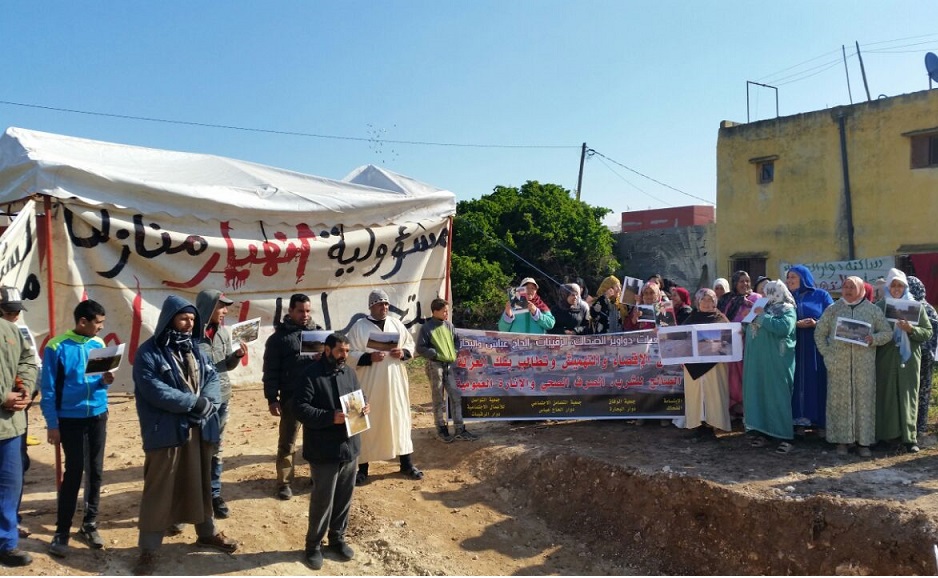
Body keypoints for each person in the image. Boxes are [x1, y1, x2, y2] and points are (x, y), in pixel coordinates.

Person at [132, 295, 237, 575]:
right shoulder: (149, 352)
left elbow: (212, 378)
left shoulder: (195, 349)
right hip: (166, 431)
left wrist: (208, 404)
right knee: (159, 489)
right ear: (169, 320)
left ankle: (206, 533)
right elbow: (154, 389)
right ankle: (149, 549)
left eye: (192, 319)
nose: (189, 324)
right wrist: (193, 403)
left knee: (202, 482)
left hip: (199, 428)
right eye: (183, 318)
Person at [39, 300, 114, 557]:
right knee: (74, 472)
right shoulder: (56, 346)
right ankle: (62, 531)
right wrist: (52, 424)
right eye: (98, 323)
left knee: (96, 471)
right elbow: (48, 389)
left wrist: (106, 381)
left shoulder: (99, 344)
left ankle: (89, 525)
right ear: (83, 322)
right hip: (70, 419)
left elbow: (99, 382)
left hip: (98, 415)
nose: (101, 328)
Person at [294, 333, 369, 570]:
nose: (344, 355)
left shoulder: (349, 373)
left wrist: (364, 405)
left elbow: (358, 396)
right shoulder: (310, 374)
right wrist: (329, 417)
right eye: (340, 351)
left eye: (347, 351)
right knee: (322, 499)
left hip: (350, 446)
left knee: (344, 497)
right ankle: (313, 546)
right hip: (324, 449)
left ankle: (337, 539)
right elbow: (300, 408)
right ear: (327, 350)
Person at [348, 290, 422, 485]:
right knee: (364, 421)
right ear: (371, 306)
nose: (384, 307)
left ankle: (406, 463)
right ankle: (363, 468)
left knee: (399, 418)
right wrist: (368, 357)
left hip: (394, 382)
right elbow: (349, 353)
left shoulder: (396, 324)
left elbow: (410, 345)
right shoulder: (359, 327)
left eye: (386, 304)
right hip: (368, 384)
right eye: (380, 304)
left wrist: (403, 352)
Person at [814, 276, 892, 457]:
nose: (848, 290)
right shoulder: (833, 309)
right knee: (839, 403)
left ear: (861, 289)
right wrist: (827, 354)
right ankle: (842, 441)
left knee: (863, 402)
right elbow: (819, 333)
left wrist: (873, 339)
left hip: (863, 366)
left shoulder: (872, 310)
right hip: (838, 365)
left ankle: (863, 443)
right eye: (845, 286)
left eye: (852, 287)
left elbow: (887, 332)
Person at [263, 293, 321, 501]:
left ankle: (318, 477)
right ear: (290, 311)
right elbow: (270, 371)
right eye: (300, 311)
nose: (304, 315)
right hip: (291, 397)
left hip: (316, 396)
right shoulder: (278, 339)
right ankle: (284, 483)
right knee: (288, 442)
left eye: (307, 311)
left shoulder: (319, 334)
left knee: (316, 439)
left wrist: (324, 358)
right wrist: (272, 398)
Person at [196, 290, 248, 519]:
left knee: (216, 448)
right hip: (198, 403)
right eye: (221, 306)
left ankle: (214, 494)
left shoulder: (224, 334)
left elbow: (226, 366)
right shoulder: (190, 336)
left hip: (222, 398)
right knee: (195, 450)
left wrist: (236, 356)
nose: (225, 311)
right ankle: (193, 496)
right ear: (208, 307)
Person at [875, 268, 933, 453]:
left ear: (905, 287)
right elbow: (871, 329)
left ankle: (909, 438)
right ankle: (888, 435)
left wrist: (911, 330)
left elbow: (928, 332)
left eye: (900, 286)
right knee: (887, 394)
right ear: (888, 287)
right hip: (886, 356)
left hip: (909, 358)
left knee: (908, 394)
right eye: (893, 285)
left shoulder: (915, 307)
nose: (896, 289)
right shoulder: (880, 306)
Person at [741, 280, 797, 454]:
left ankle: (784, 437)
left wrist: (763, 317)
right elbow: (747, 327)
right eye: (765, 292)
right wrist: (746, 320)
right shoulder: (760, 306)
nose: (766, 295)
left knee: (777, 396)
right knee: (759, 395)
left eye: (770, 292)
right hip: (757, 361)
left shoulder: (787, 309)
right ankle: (762, 433)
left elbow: (784, 328)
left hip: (776, 362)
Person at [0, 313, 38, 567]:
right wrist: (2, 396)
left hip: (10, 427)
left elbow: (27, 360)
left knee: (8, 487)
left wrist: (24, 386)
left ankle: (6, 544)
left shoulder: (9, 329)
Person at [416, 298, 478, 443]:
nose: (446, 313)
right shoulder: (427, 328)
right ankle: (441, 430)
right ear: (435, 311)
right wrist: (435, 354)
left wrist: (454, 352)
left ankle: (459, 429)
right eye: (444, 311)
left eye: (447, 311)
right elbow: (420, 348)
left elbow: (456, 341)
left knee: (455, 396)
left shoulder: (449, 325)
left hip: (449, 366)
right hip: (434, 365)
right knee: (438, 399)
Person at [785, 265, 834, 435]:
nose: (789, 280)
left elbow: (833, 318)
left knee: (817, 380)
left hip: (815, 347)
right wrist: (795, 325)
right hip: (794, 347)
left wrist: (816, 324)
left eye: (793, 277)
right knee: (796, 382)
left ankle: (820, 422)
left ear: (804, 278)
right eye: (788, 277)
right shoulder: (786, 298)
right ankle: (798, 422)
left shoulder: (821, 295)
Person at [681, 288, 731, 440]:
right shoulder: (691, 318)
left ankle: (712, 425)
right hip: (694, 364)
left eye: (710, 300)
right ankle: (699, 425)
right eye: (704, 300)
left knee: (712, 393)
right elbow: (680, 337)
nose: (707, 303)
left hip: (714, 365)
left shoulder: (720, 318)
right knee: (697, 394)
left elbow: (729, 338)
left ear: (715, 301)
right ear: (698, 302)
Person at [718, 271, 761, 419]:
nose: (745, 284)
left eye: (747, 281)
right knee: (732, 376)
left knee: (747, 374)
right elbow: (719, 317)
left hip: (750, 343)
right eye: (741, 281)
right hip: (730, 343)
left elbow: (762, 317)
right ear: (735, 283)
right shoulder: (727, 299)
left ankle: (749, 408)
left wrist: (751, 306)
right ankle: (734, 407)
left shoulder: (756, 298)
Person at [908, 276, 938, 444]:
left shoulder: (918, 308)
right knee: (920, 392)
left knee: (916, 391)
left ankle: (915, 427)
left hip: (919, 355)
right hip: (924, 356)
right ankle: (918, 427)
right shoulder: (929, 308)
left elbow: (930, 334)